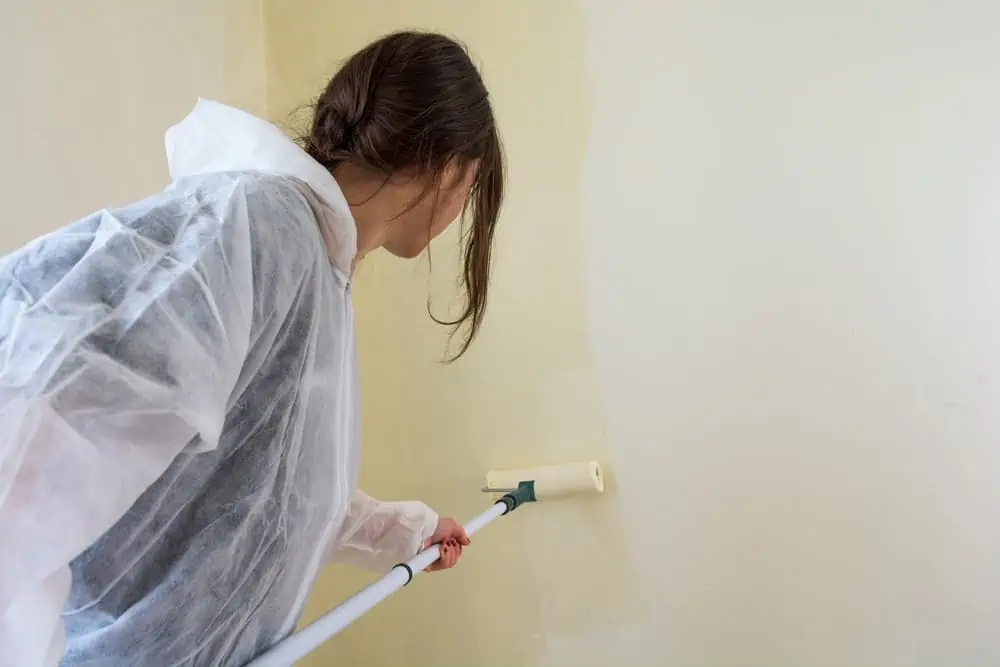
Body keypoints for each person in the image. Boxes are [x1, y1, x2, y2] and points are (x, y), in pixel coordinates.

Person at [0, 30, 504, 666]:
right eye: (472, 184)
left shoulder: (318, 266)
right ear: (448, 168)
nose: (462, 207)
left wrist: (408, 532)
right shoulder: (263, 226)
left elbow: (266, 491)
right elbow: (40, 408)